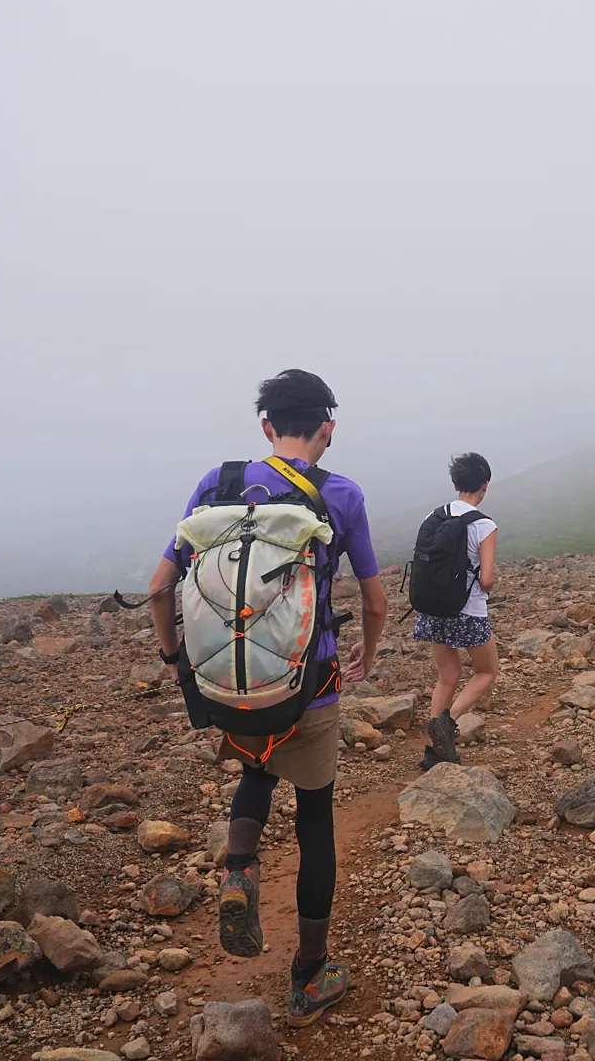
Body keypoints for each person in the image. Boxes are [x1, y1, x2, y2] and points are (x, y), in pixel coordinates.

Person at [145, 368, 385, 1028]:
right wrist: (367, 648)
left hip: (230, 683)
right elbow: (373, 596)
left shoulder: (216, 485)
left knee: (255, 767)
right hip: (310, 685)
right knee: (315, 819)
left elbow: (160, 586)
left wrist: (177, 664)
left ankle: (240, 868)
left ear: (266, 428)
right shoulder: (341, 494)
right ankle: (310, 975)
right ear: (328, 428)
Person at [416, 452, 499, 769]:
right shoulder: (483, 524)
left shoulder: (432, 518)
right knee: (487, 671)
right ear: (485, 486)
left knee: (447, 676)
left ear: (455, 483)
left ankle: (435, 749)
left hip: (433, 610)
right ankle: (447, 723)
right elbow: (487, 579)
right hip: (468, 611)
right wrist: (486, 584)